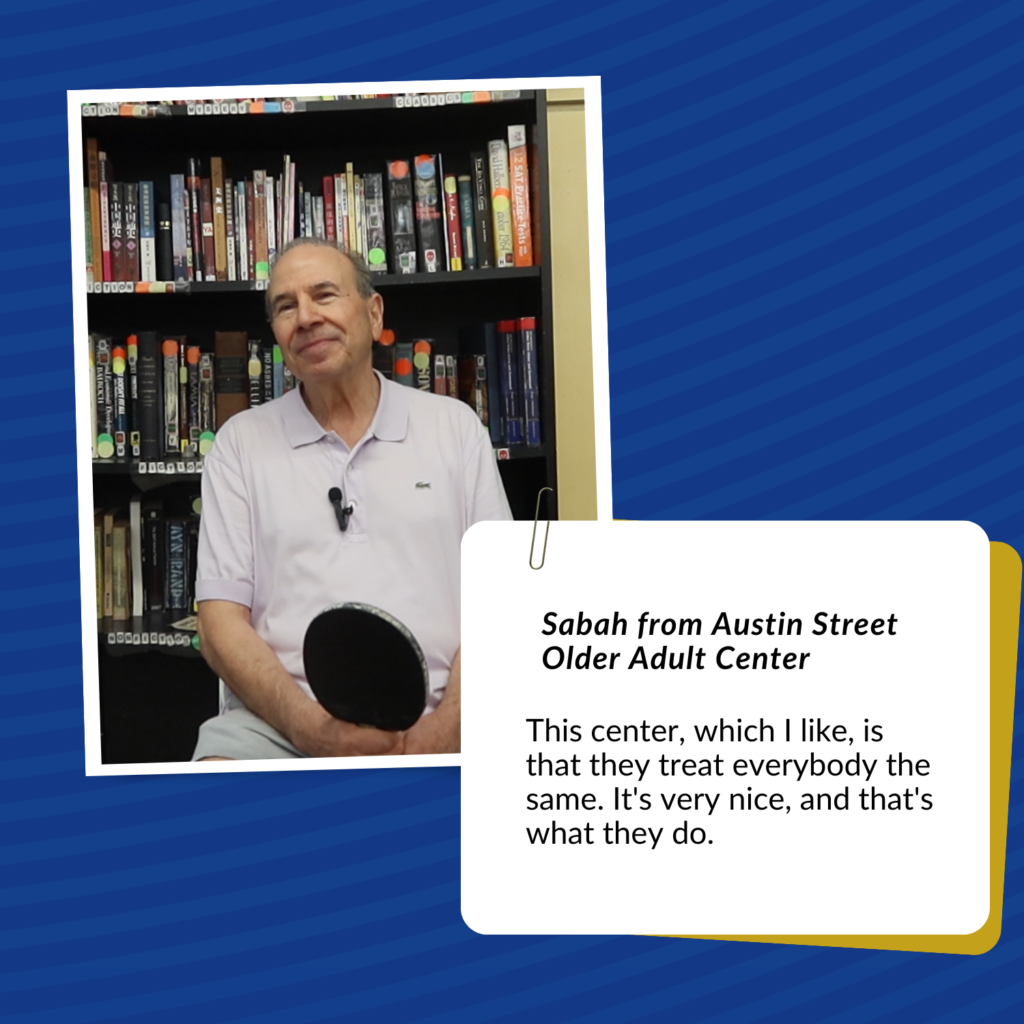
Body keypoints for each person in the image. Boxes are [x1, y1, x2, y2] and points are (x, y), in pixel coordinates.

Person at [191, 238, 512, 760]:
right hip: (278, 722)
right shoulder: (238, 445)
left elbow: (503, 600)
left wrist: (446, 728)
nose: (306, 318)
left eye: (324, 294)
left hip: (445, 711)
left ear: (373, 312)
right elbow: (218, 624)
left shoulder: (455, 429)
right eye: (286, 306)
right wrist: (307, 728)